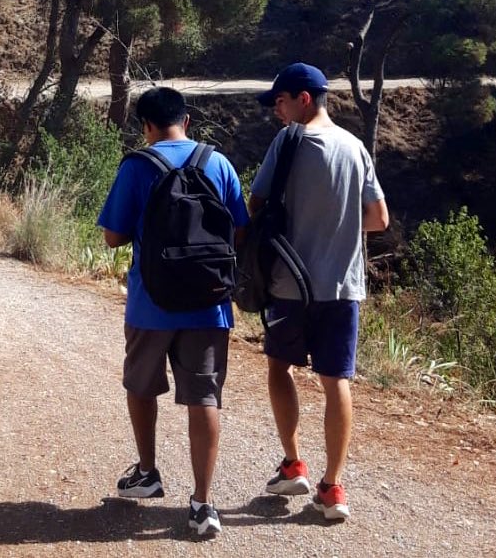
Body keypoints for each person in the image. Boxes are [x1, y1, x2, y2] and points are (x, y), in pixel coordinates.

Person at [97, 86, 248, 538]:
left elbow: (113, 237)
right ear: (186, 120)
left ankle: (148, 472)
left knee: (142, 386)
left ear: (146, 126)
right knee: (204, 397)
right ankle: (203, 504)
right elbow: (239, 228)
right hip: (209, 304)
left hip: (151, 304)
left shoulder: (138, 166)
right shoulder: (217, 163)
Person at [251, 62, 389, 522]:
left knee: (278, 367)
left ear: (304, 99)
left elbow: (257, 203)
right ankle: (332, 487)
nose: (277, 111)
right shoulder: (355, 147)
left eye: (281, 101)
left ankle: (293, 465)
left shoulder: (288, 142)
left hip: (289, 285)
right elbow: (379, 219)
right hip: (343, 286)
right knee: (337, 383)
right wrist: (339, 228)